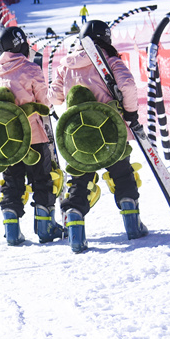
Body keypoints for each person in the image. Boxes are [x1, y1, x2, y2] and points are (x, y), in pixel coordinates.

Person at [48, 21, 147, 252]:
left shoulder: (67, 65)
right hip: (110, 134)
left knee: (79, 182)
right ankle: (133, 225)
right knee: (122, 175)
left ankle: (75, 229)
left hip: (78, 138)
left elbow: (53, 97)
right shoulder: (110, 60)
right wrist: (130, 113)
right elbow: (128, 86)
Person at [0, 27, 62, 246]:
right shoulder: (30, 69)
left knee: (12, 182)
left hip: (8, 144)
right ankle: (46, 227)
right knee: (42, 179)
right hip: (34, 137)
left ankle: (12, 230)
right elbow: (45, 102)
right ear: (20, 44)